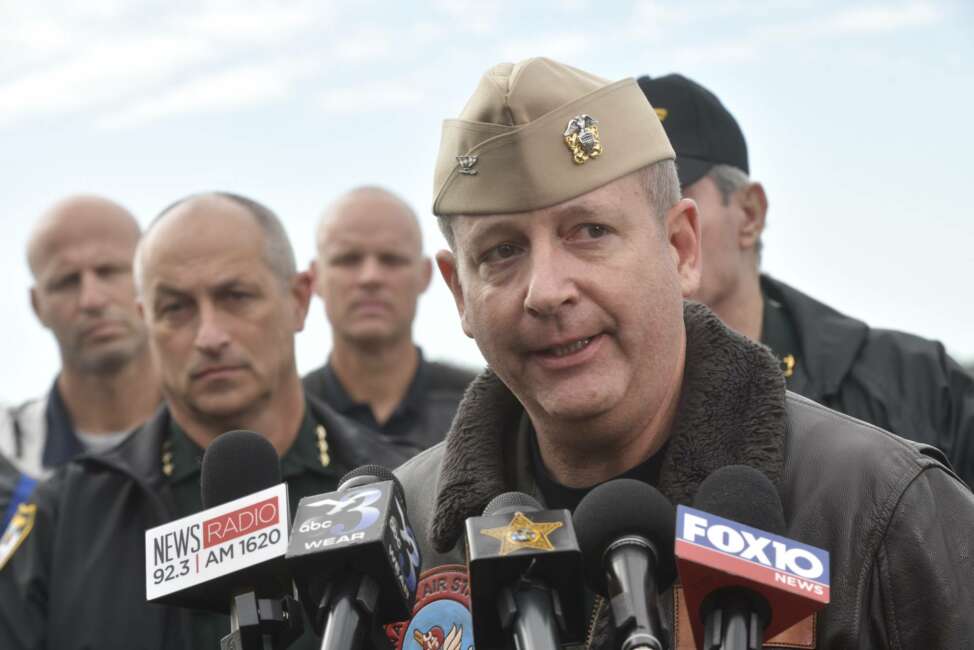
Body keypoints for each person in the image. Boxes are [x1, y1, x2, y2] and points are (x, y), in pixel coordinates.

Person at [393, 57, 974, 649]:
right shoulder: (406, 539)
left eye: (589, 231)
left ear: (681, 247)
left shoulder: (876, 511)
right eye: (502, 251)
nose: (547, 291)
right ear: (460, 292)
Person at [0, 192, 416, 650]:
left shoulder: (401, 489)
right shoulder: (65, 519)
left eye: (235, 297)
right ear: (145, 320)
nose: (209, 336)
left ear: (298, 299)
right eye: (175, 308)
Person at [637, 73, 974, 486]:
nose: (655, 228)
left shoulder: (919, 387)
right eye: (632, 207)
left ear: (749, 214)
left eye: (673, 195)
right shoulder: (589, 410)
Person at [0, 195, 162, 528]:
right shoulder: (7, 454)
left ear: (150, 280)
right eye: (66, 281)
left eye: (109, 271)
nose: (92, 299)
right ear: (37, 305)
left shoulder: (218, 429)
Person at [305, 187, 475, 453]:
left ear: (426, 275)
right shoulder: (287, 420)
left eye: (391, 259)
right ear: (315, 278)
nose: (370, 277)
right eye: (348, 260)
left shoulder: (484, 408)